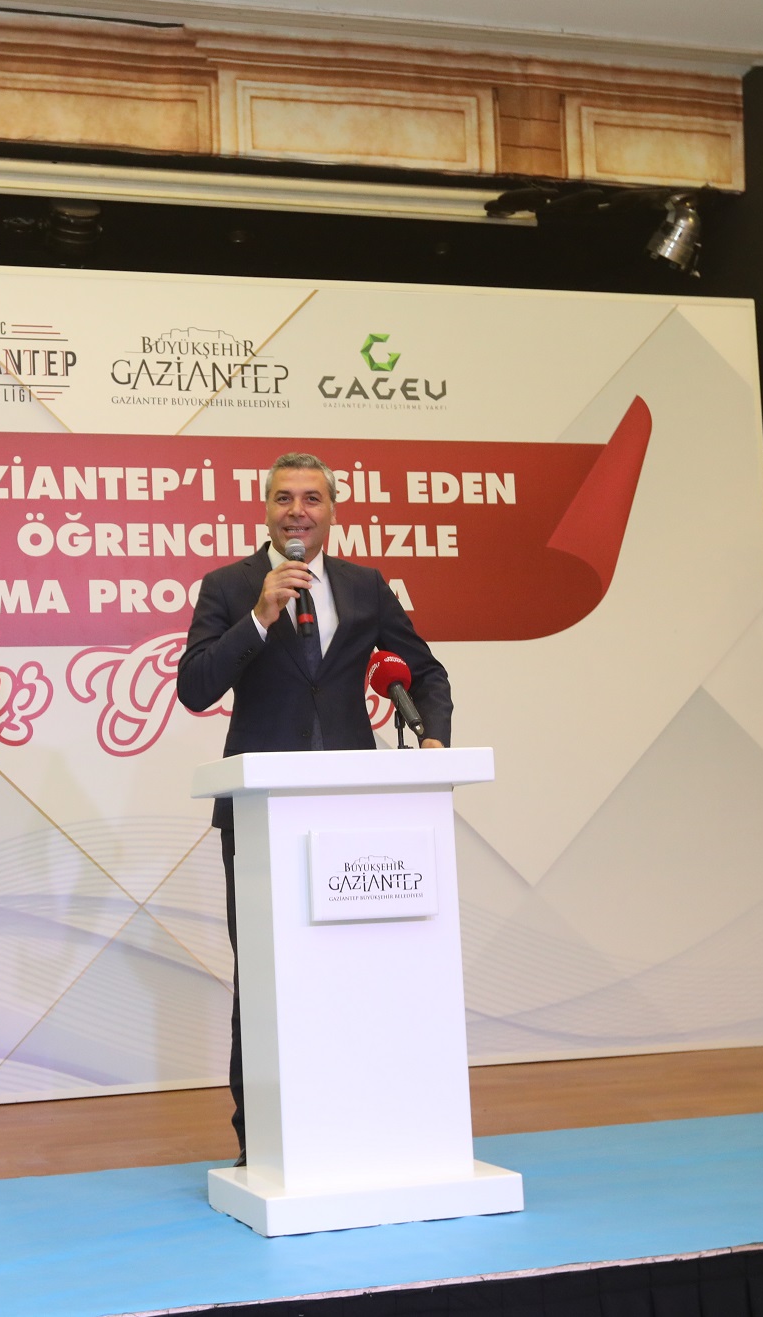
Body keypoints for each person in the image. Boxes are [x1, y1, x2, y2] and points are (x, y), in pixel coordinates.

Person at [176, 451, 452, 1162]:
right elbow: (195, 686)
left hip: (351, 813)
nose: (297, 511)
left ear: (332, 511)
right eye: (284, 498)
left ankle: (358, 1124)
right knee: (265, 976)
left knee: (355, 970)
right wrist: (259, 617)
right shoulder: (229, 586)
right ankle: (262, 1141)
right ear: (264, 509)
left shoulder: (365, 586)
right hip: (261, 817)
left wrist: (433, 738)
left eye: (312, 498)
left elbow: (425, 670)